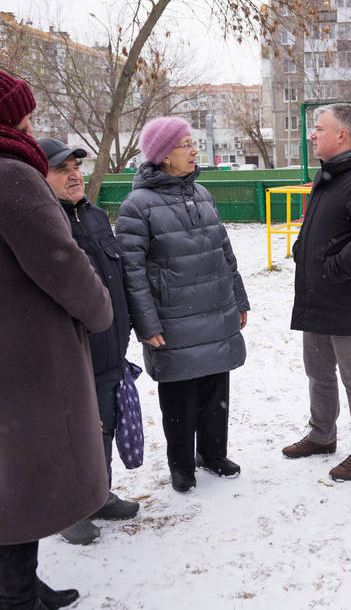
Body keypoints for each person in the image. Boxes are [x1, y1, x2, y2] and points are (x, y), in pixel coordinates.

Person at [0, 70, 112, 609]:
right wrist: (98, 310)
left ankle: (25, 586)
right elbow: (61, 262)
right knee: (25, 480)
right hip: (26, 359)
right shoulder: (12, 176)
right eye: (23, 114)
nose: (29, 124)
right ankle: (17, 595)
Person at [116, 116, 249, 494]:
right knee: (180, 394)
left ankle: (212, 452)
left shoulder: (201, 194)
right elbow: (132, 272)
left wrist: (238, 298)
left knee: (214, 385)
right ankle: (182, 465)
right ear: (162, 155)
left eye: (193, 143)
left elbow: (225, 252)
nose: (194, 150)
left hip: (216, 309)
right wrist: (147, 324)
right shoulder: (137, 205)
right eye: (185, 144)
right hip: (172, 317)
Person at [282, 103, 351, 482]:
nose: (313, 134)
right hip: (317, 295)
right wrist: (303, 251)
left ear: (342, 135)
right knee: (318, 372)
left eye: (319, 128)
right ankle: (321, 434)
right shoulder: (329, 175)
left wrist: (333, 269)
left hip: (348, 298)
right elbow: (317, 225)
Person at [39, 138, 140, 546]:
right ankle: (70, 509)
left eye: (76, 167)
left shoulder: (95, 217)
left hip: (111, 346)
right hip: (72, 353)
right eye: (62, 170)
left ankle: (98, 495)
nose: (75, 175)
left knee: (106, 424)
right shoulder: (45, 226)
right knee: (73, 432)